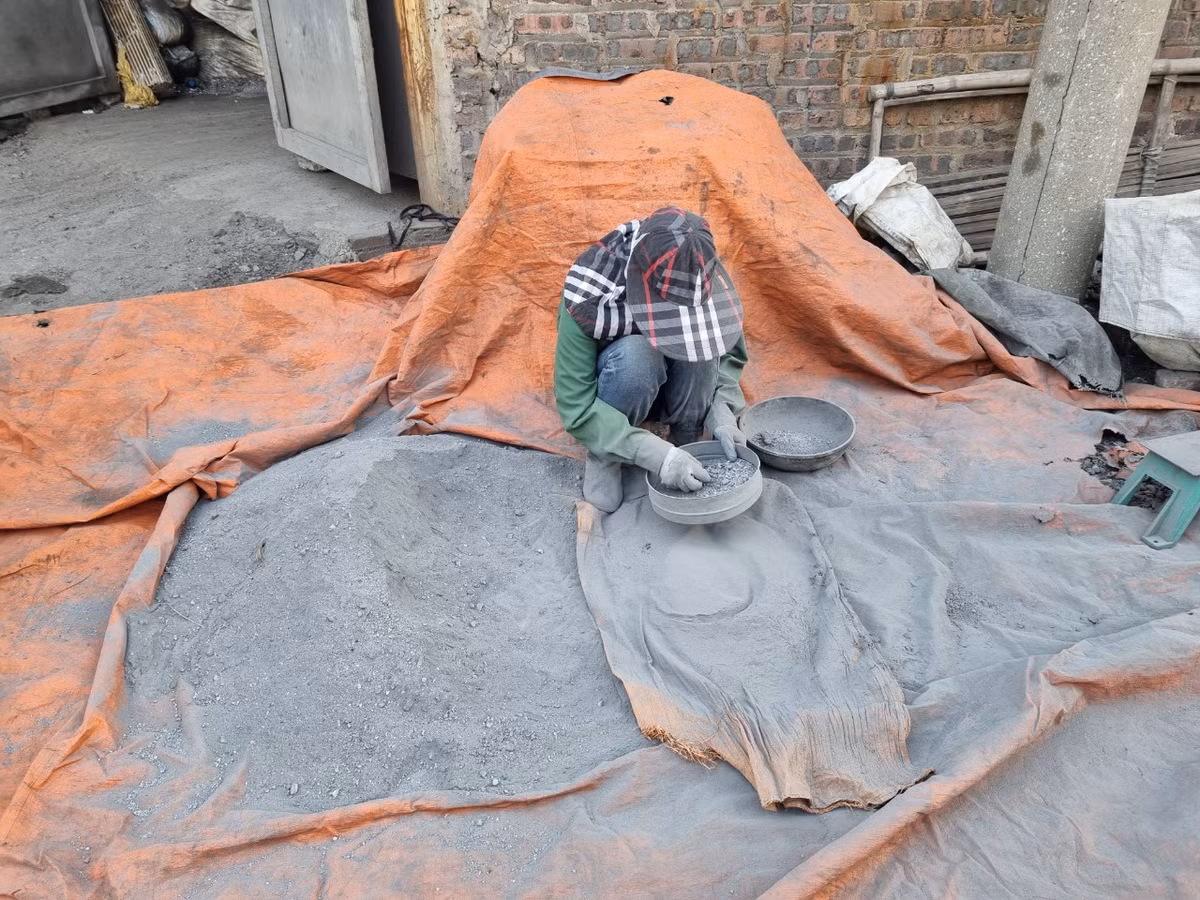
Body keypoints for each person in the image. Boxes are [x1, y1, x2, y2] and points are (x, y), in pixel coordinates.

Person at [554, 207, 749, 512]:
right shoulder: (592, 291)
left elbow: (728, 352)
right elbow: (575, 407)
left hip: (677, 390)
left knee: (702, 353)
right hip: (622, 390)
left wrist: (722, 409)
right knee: (638, 355)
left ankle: (688, 435)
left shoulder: (692, 266)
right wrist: (658, 456)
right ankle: (607, 455)